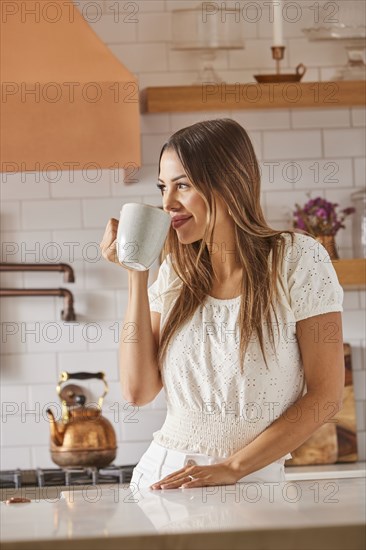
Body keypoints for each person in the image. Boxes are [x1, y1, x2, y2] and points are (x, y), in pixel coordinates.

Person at [99, 118, 345, 490]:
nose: (167, 204)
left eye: (182, 185)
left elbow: (326, 396)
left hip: (250, 481)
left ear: (229, 183)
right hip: (161, 480)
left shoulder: (298, 259)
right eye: (163, 187)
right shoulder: (177, 274)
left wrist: (232, 467)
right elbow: (137, 391)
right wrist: (137, 271)